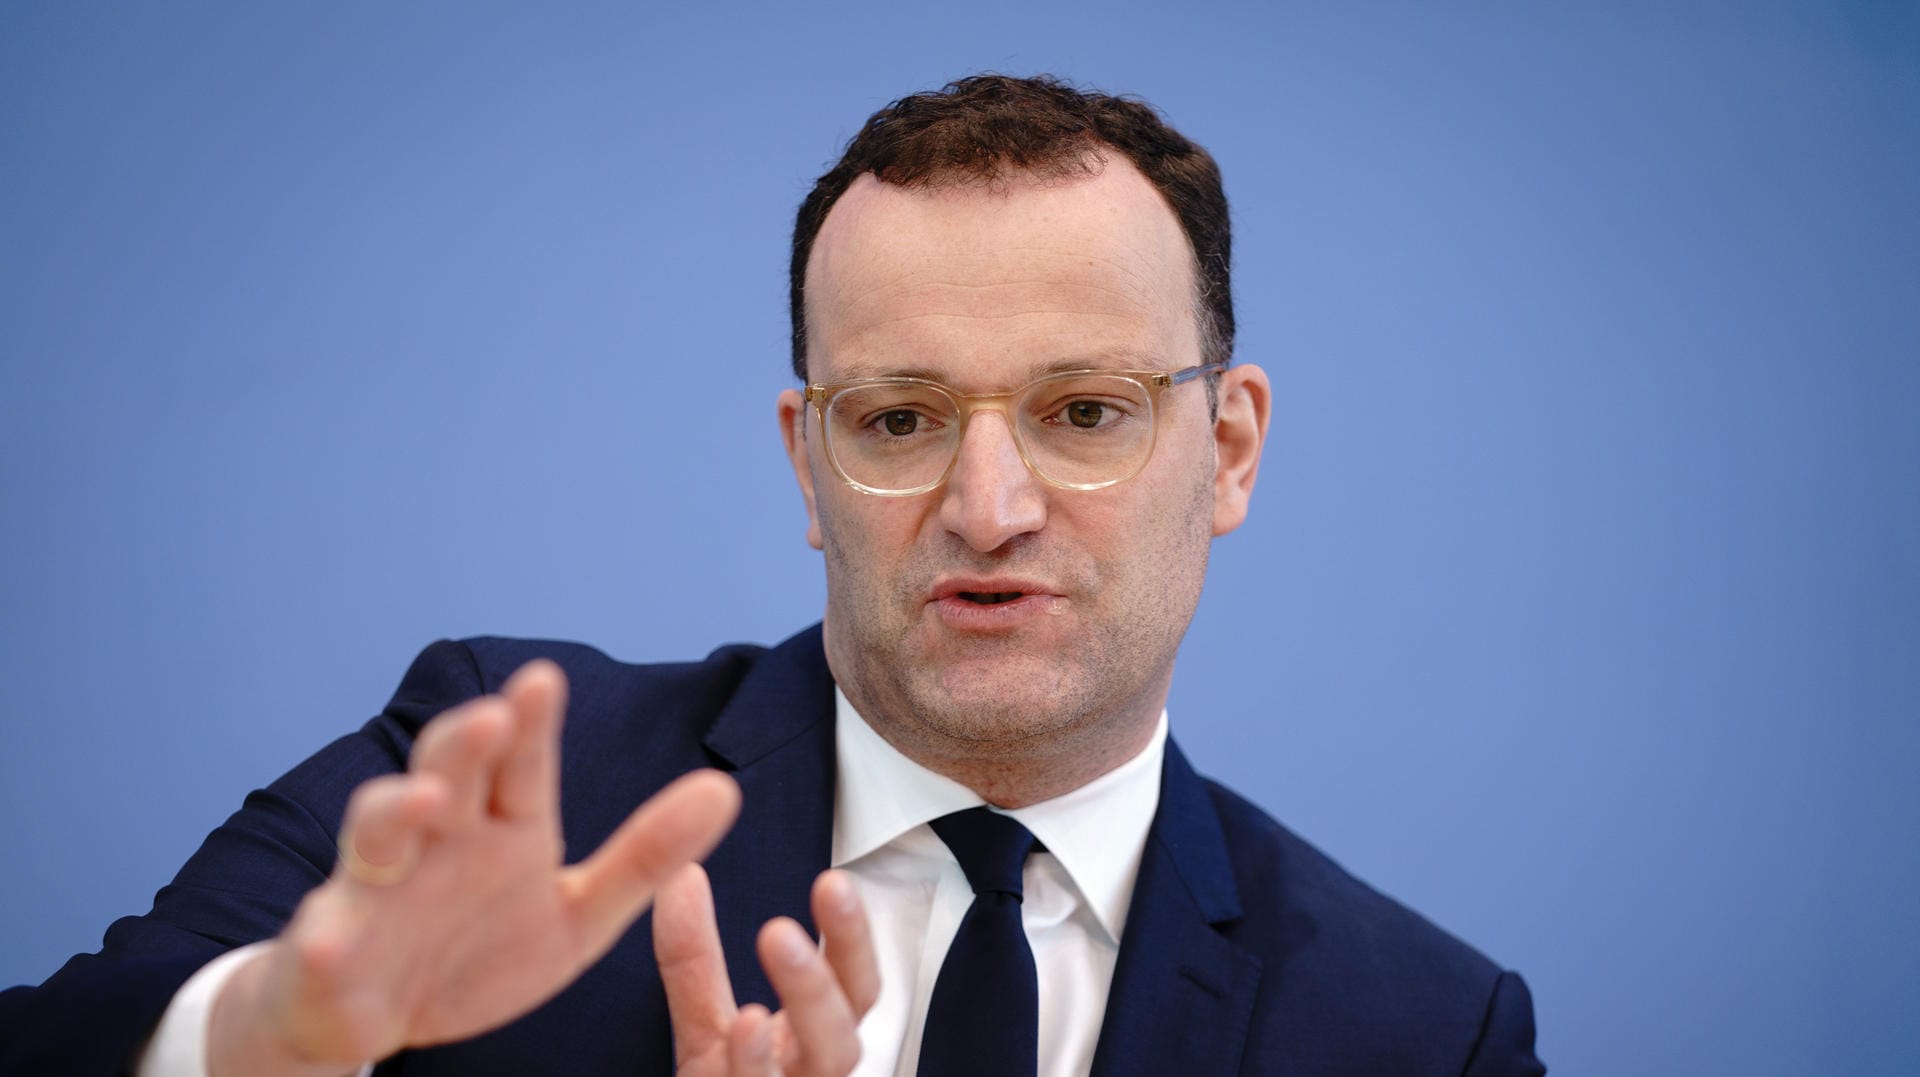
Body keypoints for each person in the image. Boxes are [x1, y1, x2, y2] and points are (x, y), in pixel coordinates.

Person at [0, 74, 1545, 1076]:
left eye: (1085, 411)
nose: (990, 506)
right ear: (810, 460)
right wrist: (272, 1039)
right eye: (899, 419)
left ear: (1231, 449)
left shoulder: (1423, 1031)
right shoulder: (505, 781)